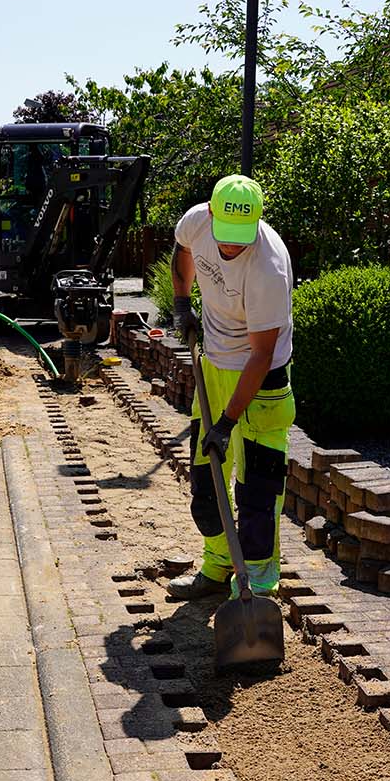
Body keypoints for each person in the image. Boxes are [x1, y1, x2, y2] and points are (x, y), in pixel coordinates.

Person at [168, 173, 294, 601]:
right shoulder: (197, 222)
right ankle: (217, 566)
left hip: (260, 382)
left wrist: (226, 422)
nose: (230, 247)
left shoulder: (268, 267)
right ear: (212, 212)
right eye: (225, 235)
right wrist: (182, 301)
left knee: (258, 490)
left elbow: (260, 355)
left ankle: (256, 588)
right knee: (206, 482)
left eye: (240, 238)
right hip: (215, 371)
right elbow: (183, 252)